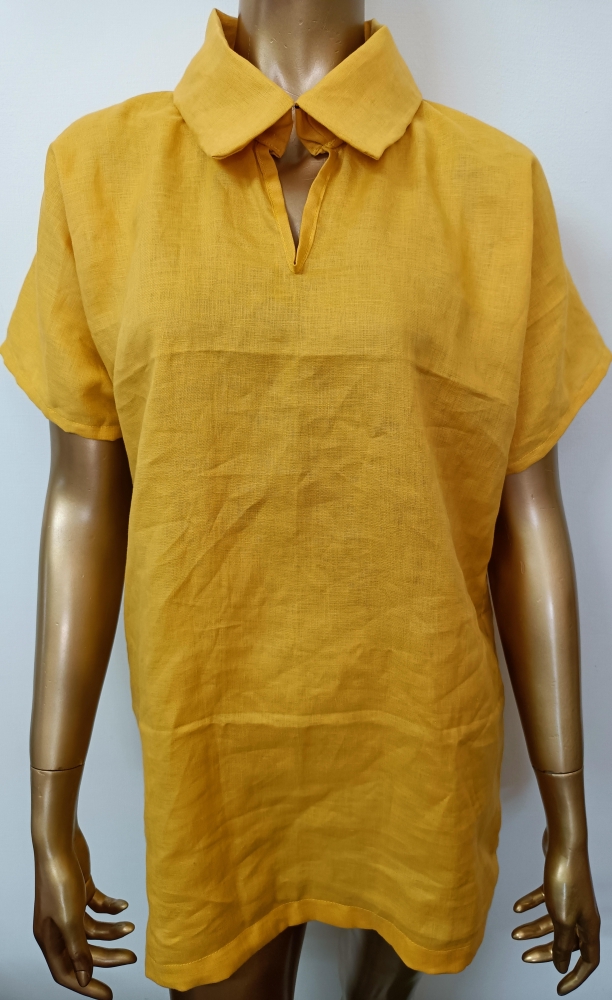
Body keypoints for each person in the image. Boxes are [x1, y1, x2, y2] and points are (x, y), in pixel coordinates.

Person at [2, 2, 609, 997]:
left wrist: (568, 811)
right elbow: (81, 506)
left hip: (418, 747)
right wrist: (48, 808)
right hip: (212, 759)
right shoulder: (99, 174)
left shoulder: (495, 187)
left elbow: (529, 516)